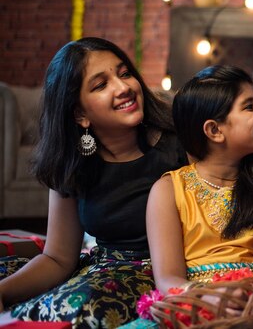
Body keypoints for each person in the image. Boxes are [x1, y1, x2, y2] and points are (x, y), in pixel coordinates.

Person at [0, 37, 189, 327]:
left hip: (160, 277)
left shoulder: (179, 145)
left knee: (80, 309)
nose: (124, 87)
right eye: (101, 85)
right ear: (80, 114)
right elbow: (58, 258)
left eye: (124, 73)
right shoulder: (74, 164)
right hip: (100, 267)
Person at [146, 65, 253, 295]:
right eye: (249, 107)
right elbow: (167, 278)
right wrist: (211, 300)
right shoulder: (168, 191)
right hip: (194, 302)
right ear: (214, 130)